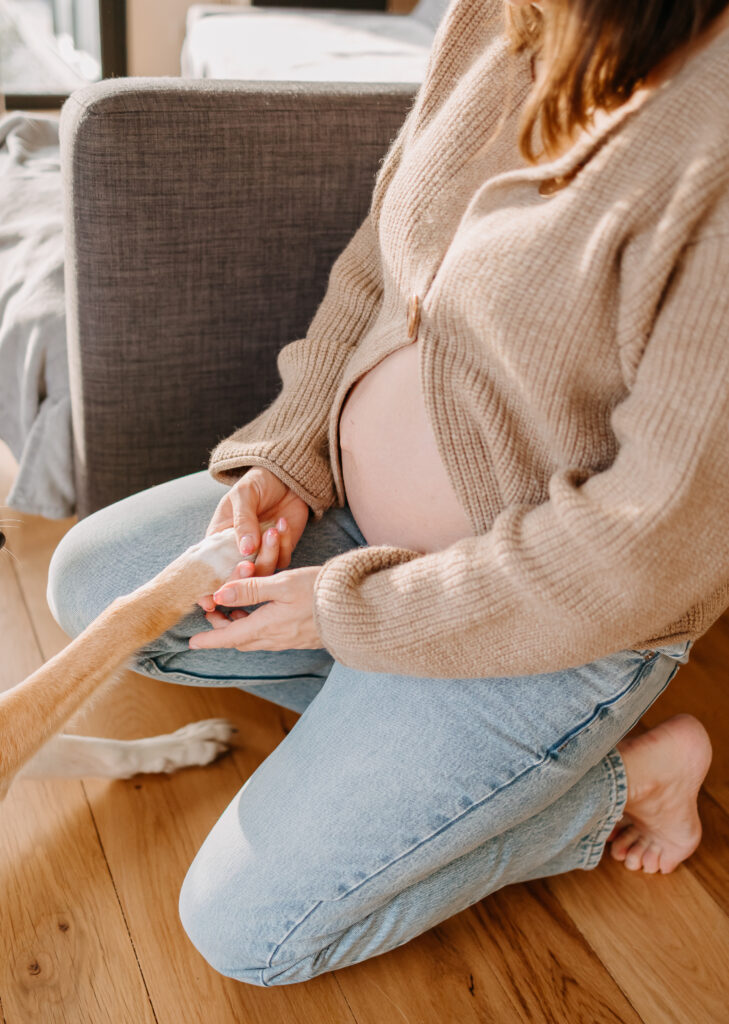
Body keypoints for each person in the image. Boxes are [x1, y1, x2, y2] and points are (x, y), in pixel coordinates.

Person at [47, 0, 725, 988]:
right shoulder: (501, 15)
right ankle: (401, 732)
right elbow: (382, 254)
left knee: (249, 932)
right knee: (94, 586)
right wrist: (291, 452)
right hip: (349, 529)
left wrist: (342, 613)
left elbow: (645, 547)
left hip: (554, 623)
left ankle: (625, 780)